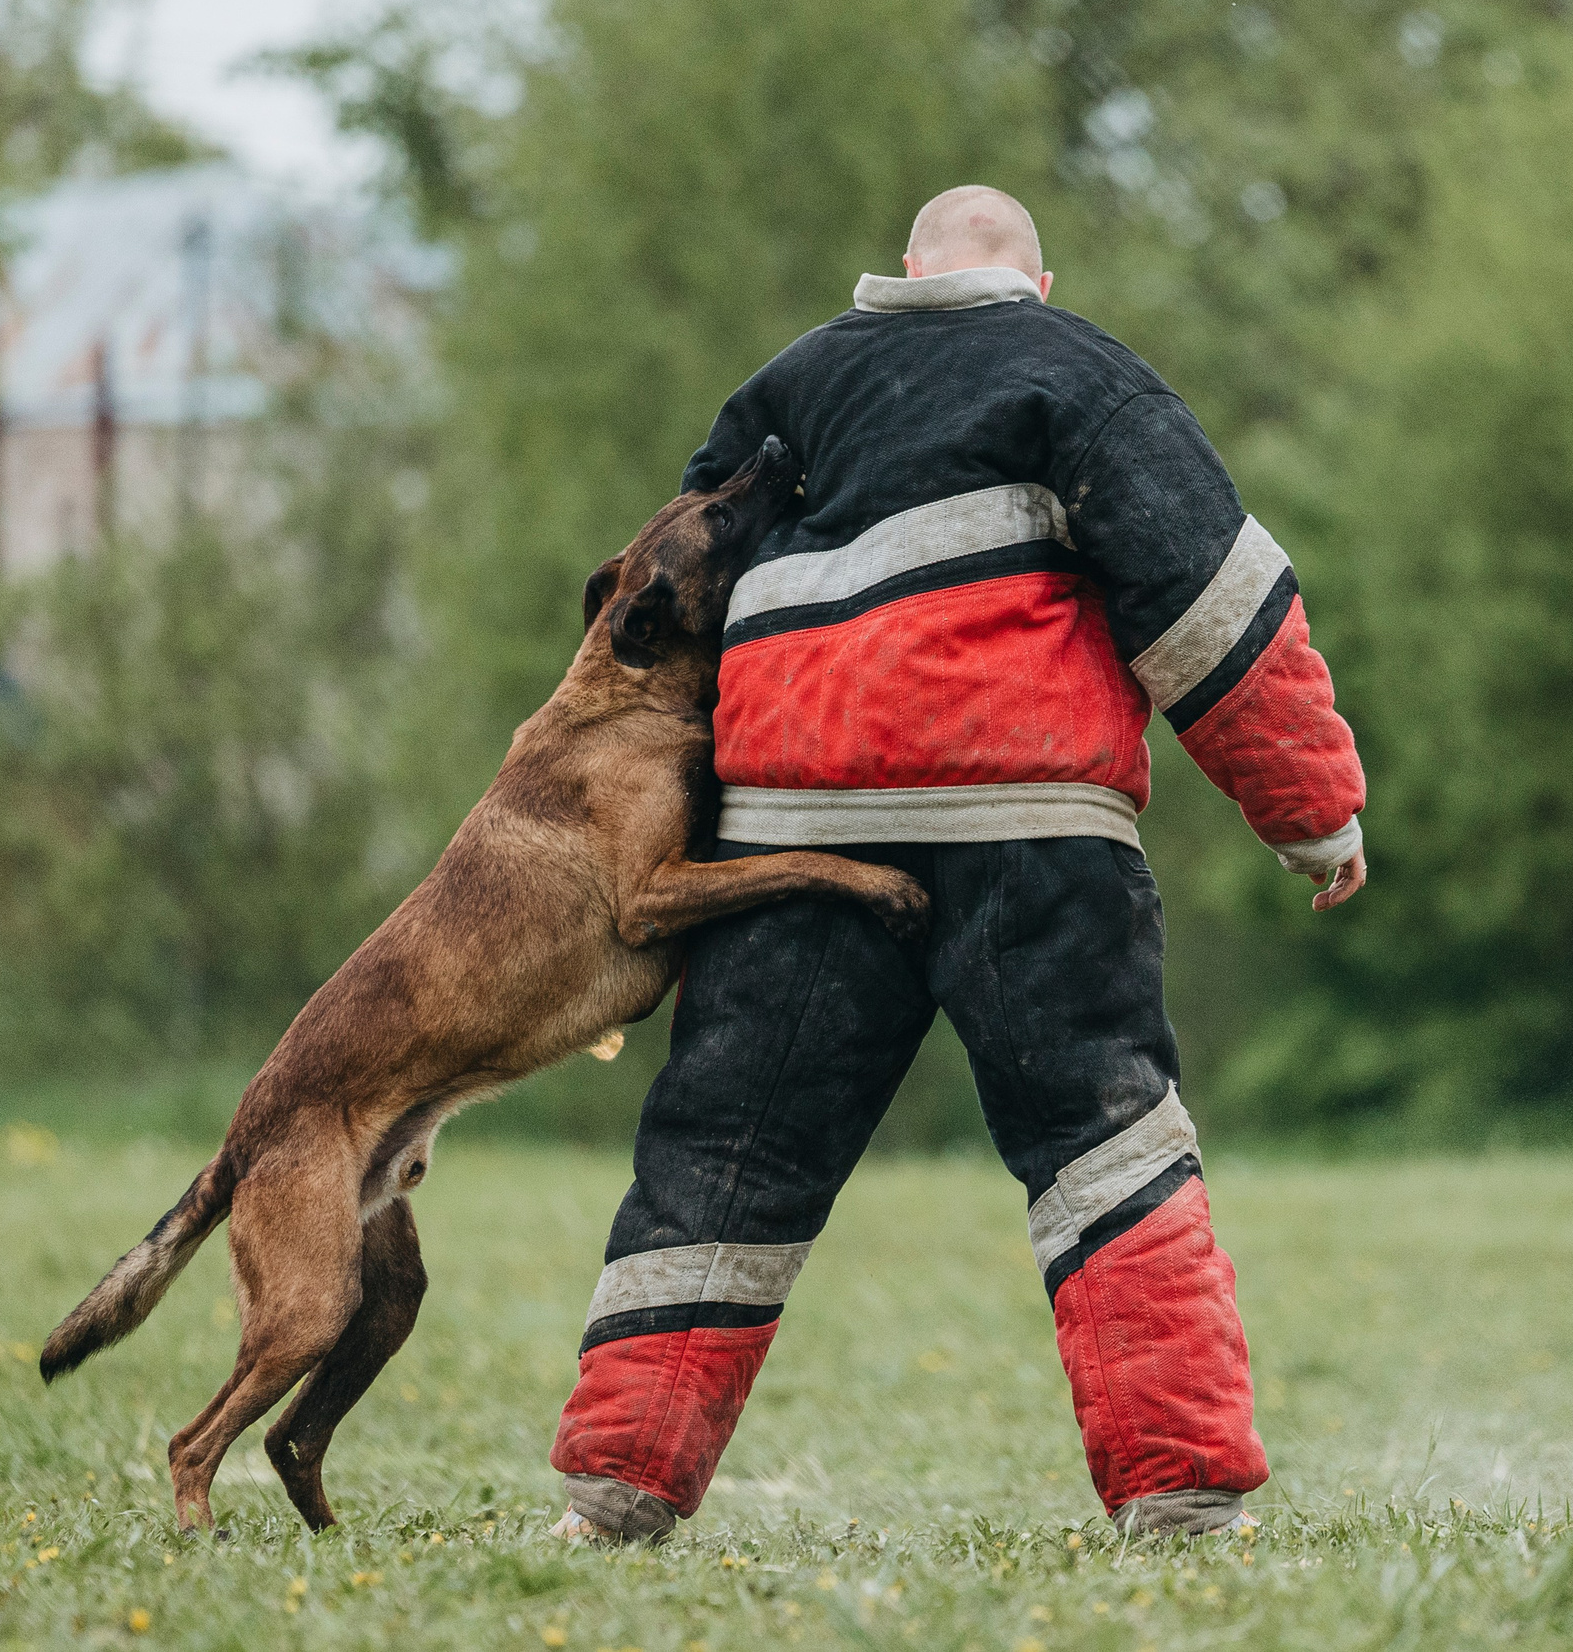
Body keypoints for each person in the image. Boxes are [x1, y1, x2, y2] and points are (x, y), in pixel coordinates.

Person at [548, 185, 1367, 1544]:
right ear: (1034, 286)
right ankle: (1177, 1492)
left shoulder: (790, 383)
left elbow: (666, 599)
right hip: (1029, 824)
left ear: (907, 272)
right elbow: (1205, 587)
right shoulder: (1079, 369)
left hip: (795, 830)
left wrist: (637, 817)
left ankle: (617, 1489)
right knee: (1102, 1138)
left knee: (727, 1148)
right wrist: (1310, 808)